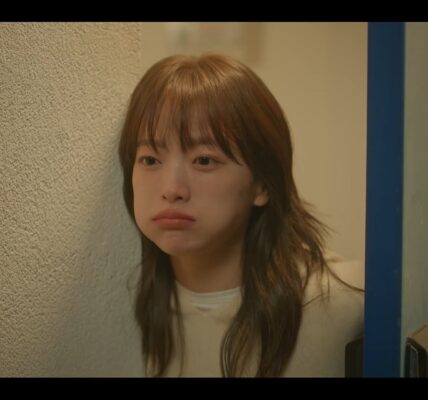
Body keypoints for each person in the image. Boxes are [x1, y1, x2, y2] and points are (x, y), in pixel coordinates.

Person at [118, 53, 364, 377]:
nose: (171, 189)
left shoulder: (346, 302)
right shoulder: (122, 308)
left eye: (204, 160)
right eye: (150, 160)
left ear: (262, 183)